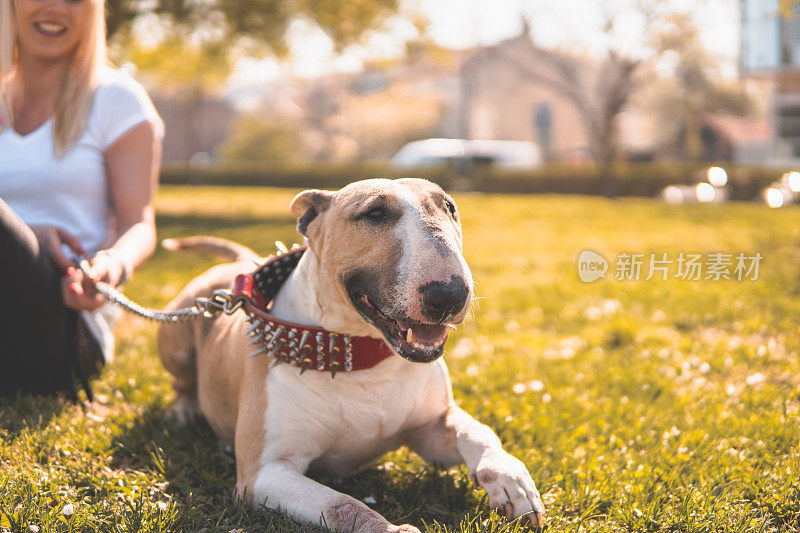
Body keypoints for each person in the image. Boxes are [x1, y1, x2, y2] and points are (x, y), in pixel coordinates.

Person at [0, 0, 163, 398]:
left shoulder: (117, 99)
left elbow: (138, 224)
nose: (55, 8)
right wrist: (31, 232)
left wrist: (112, 263)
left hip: (64, 324)